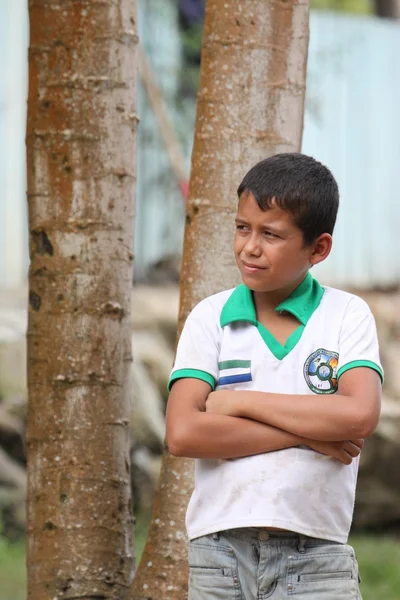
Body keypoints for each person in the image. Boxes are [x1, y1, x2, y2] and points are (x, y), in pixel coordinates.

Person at [166, 153, 383, 600]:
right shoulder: (211, 318)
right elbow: (184, 433)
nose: (250, 246)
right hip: (219, 558)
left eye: (271, 234)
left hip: (317, 559)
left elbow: (358, 415)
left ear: (317, 249)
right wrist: (309, 436)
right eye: (243, 227)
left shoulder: (346, 315)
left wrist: (240, 402)